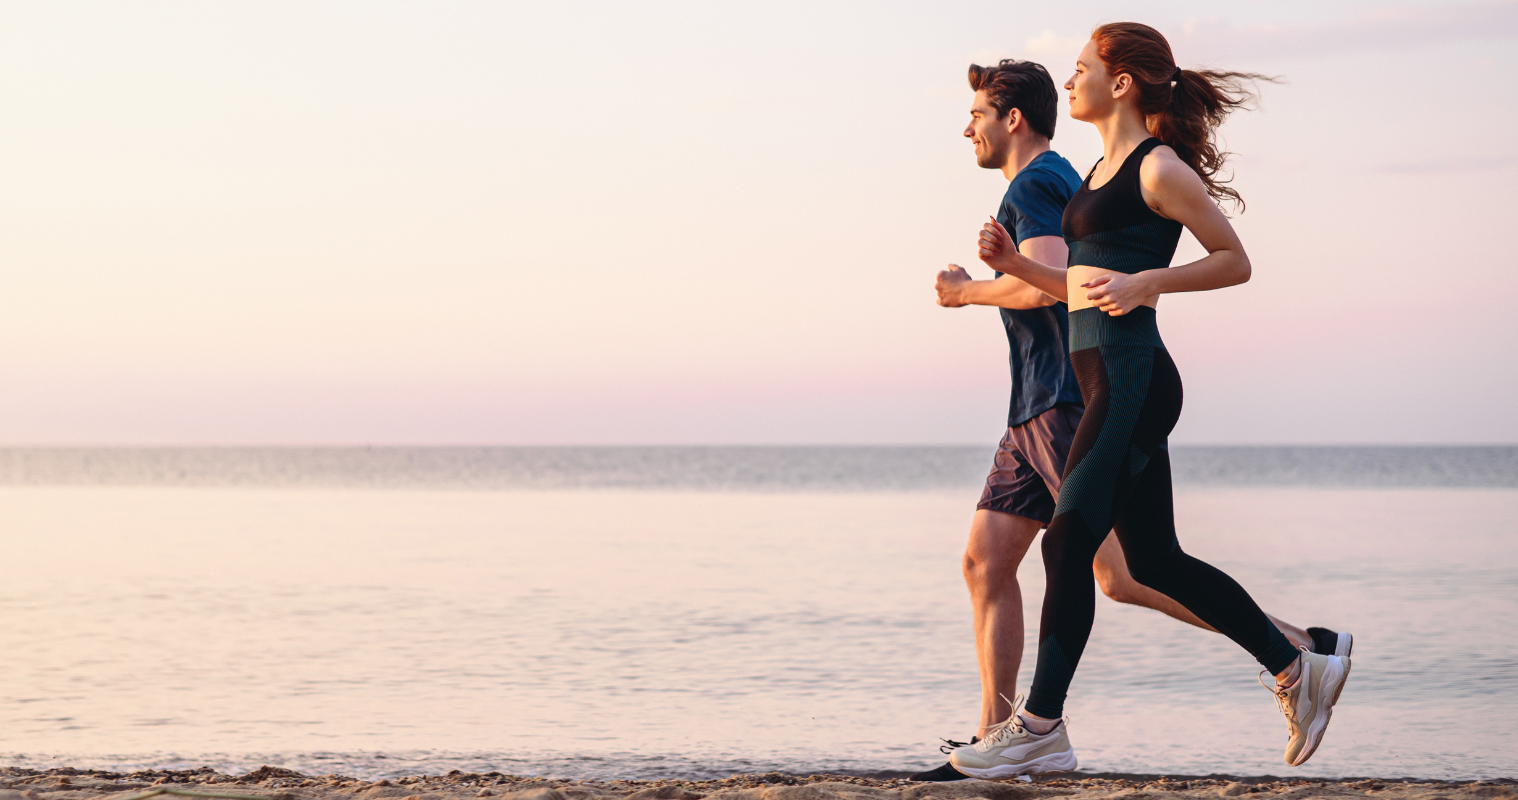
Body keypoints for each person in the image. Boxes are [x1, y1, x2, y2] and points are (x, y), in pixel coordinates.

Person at [944, 23, 1353, 779]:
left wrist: (1151, 282)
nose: (1070, 83)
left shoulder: (1158, 168)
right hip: (1106, 378)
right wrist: (1006, 274)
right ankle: (1299, 664)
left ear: (1121, 81)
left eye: (1080, 69)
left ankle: (1039, 728)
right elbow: (1082, 286)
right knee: (1155, 560)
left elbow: (1235, 261)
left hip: (1132, 381)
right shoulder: (1099, 170)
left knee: (1070, 545)